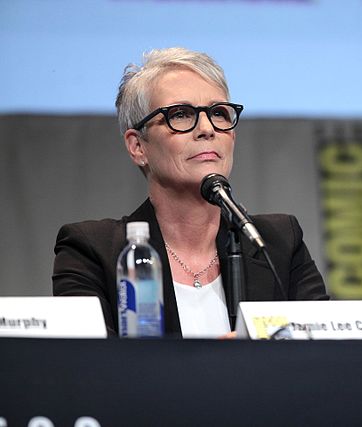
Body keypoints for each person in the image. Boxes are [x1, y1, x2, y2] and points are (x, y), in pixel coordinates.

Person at [53, 47, 329, 337]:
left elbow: (326, 355)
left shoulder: (277, 242)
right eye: (181, 115)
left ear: (232, 136)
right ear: (138, 146)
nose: (207, 128)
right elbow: (88, 369)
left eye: (219, 113)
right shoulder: (93, 250)